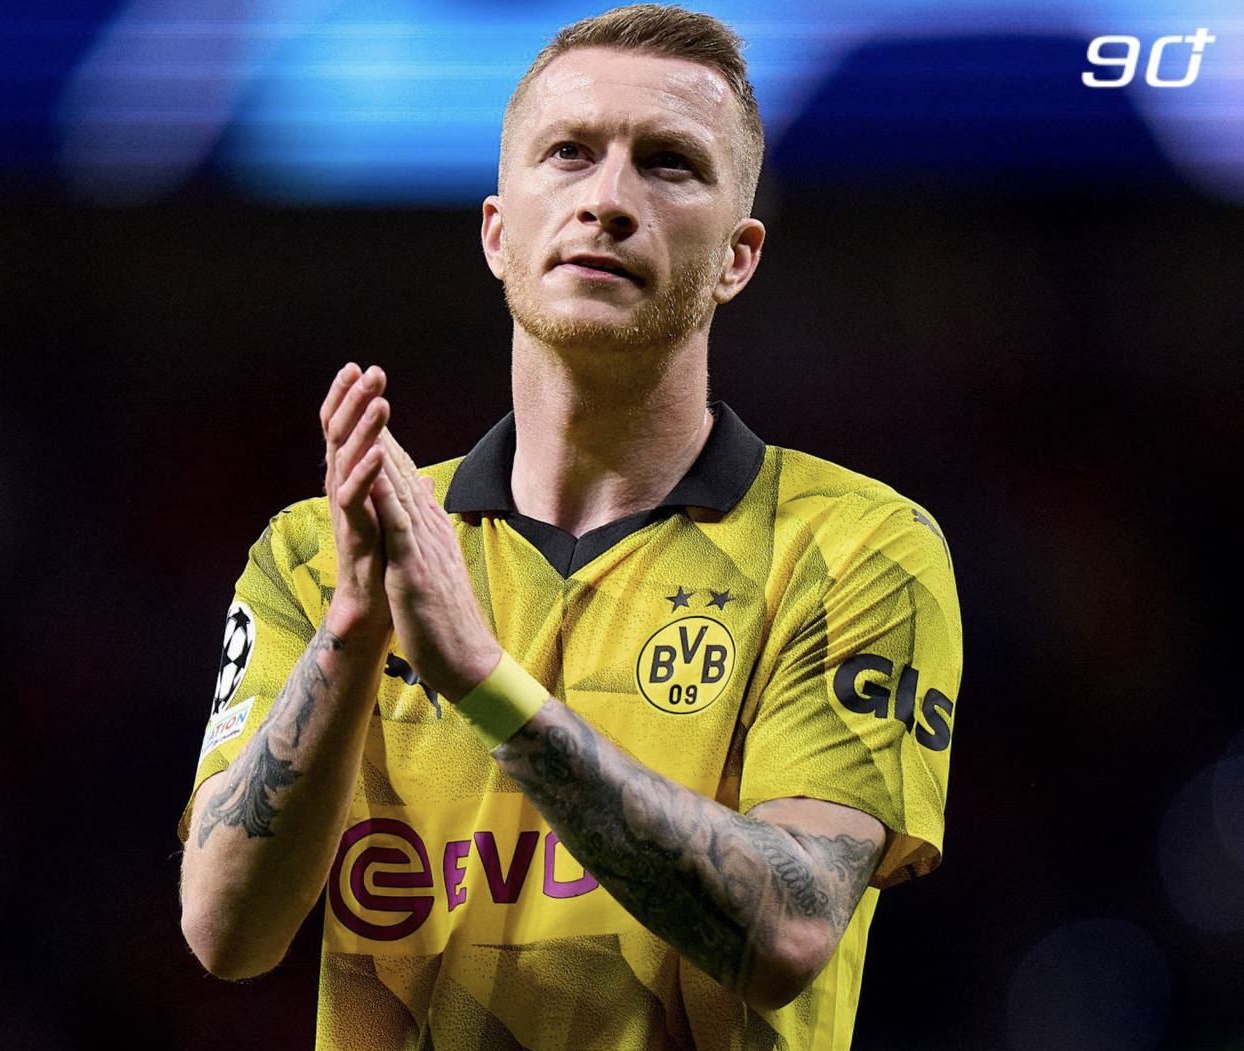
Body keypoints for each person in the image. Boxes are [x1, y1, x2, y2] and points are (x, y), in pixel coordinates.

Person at [177, 5, 962, 1050]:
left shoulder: (857, 548)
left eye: (669, 164)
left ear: (737, 258)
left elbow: (790, 925)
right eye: (569, 154)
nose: (607, 200)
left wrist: (480, 679)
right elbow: (225, 932)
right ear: (498, 232)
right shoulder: (321, 553)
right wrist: (354, 628)